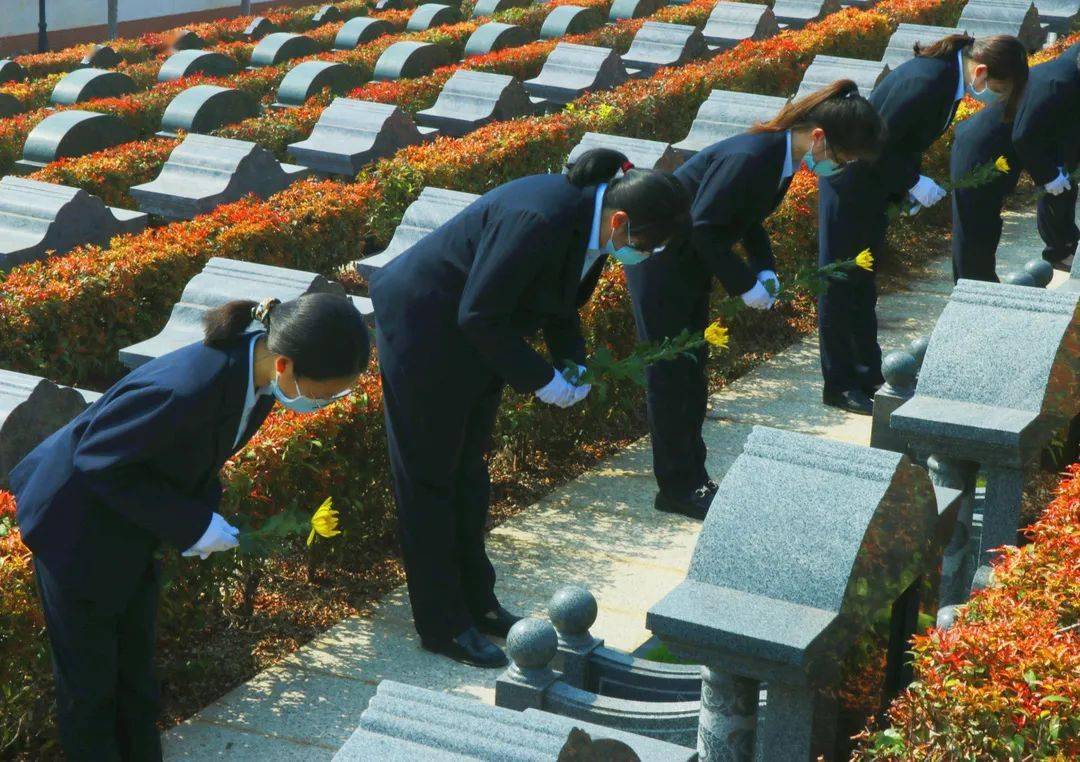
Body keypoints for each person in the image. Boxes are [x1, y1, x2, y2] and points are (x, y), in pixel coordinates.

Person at [11, 293, 370, 760]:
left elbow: (191, 456)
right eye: (324, 394)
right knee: (90, 688)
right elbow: (97, 460)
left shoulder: (256, 376)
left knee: (135, 675)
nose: (322, 403)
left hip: (127, 521)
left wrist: (200, 518)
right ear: (285, 364)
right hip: (74, 526)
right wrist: (192, 525)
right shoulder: (189, 388)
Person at [369, 150, 690, 668]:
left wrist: (571, 362)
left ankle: (479, 603)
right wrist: (541, 379)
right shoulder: (540, 219)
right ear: (621, 221)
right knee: (429, 480)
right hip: (424, 327)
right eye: (644, 246)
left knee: (469, 474)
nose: (643, 256)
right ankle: (443, 625)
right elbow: (478, 313)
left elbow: (557, 302)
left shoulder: (594, 219)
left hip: (477, 336)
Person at [624, 80, 886, 520]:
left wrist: (764, 266)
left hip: (687, 262)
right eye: (842, 158)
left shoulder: (778, 156)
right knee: (671, 379)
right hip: (661, 263)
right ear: (819, 137)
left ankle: (694, 478)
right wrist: (744, 282)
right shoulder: (755, 156)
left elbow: (747, 216)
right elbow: (704, 227)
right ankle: (678, 487)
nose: (839, 168)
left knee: (691, 374)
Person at [817, 34, 1029, 413]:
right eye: (997, 89)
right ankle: (840, 384)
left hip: (872, 188)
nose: (992, 97)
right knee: (841, 284)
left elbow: (905, 142)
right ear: (981, 71)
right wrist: (913, 181)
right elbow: (875, 145)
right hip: (849, 184)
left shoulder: (947, 78)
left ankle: (868, 373)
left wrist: (905, 191)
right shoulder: (928, 81)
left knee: (862, 284)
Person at [952, 42, 1079, 281]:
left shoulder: (1070, 74)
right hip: (980, 149)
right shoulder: (1060, 80)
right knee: (975, 231)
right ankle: (971, 292)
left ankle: (981, 286)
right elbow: (1023, 136)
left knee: (987, 228)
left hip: (999, 149)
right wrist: (1048, 176)